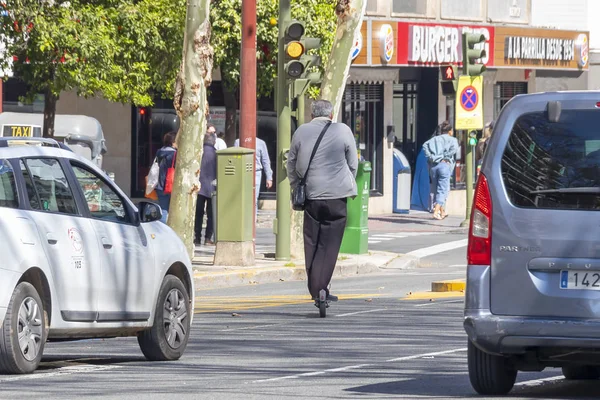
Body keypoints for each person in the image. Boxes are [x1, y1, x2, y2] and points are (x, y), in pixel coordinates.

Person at [287, 99, 358, 302]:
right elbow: (353, 163)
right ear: (331, 114)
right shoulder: (343, 130)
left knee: (312, 242)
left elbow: (291, 163)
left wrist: (296, 185)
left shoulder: (301, 131)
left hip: (311, 195)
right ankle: (320, 287)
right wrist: (345, 182)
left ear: (312, 114)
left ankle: (317, 287)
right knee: (330, 243)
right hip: (337, 197)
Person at [422, 121, 458, 220]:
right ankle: (436, 211)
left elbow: (424, 145)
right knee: (443, 190)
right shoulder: (453, 140)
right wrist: (445, 157)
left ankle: (442, 212)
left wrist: (431, 157)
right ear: (450, 131)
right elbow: (454, 150)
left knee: (436, 188)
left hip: (433, 166)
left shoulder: (434, 139)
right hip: (444, 165)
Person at [234, 137, 273, 215]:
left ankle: (252, 221)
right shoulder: (238, 142)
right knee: (241, 198)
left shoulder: (261, 143)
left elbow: (265, 160)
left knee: (254, 199)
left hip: (256, 172)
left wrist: (269, 177)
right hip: (241, 172)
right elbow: (235, 159)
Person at [195, 133, 217, 245]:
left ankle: (196, 237)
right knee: (211, 214)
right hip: (213, 188)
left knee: (198, 214)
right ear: (214, 141)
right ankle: (208, 238)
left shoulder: (198, 152)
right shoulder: (216, 154)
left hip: (198, 187)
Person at [154, 131, 177, 222]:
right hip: (171, 185)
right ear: (173, 142)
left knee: (163, 209)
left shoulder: (159, 152)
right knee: (170, 211)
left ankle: (162, 228)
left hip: (159, 184)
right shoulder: (174, 154)